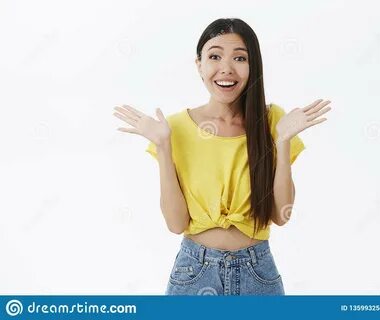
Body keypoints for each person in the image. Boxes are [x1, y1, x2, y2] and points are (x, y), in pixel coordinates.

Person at [113, 18, 332, 295]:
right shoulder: (175, 128)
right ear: (199, 65)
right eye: (214, 56)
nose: (226, 69)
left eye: (239, 58)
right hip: (193, 272)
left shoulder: (272, 121)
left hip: (258, 273)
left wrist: (283, 140)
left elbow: (280, 214)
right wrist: (164, 146)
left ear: (253, 67)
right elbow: (175, 224)